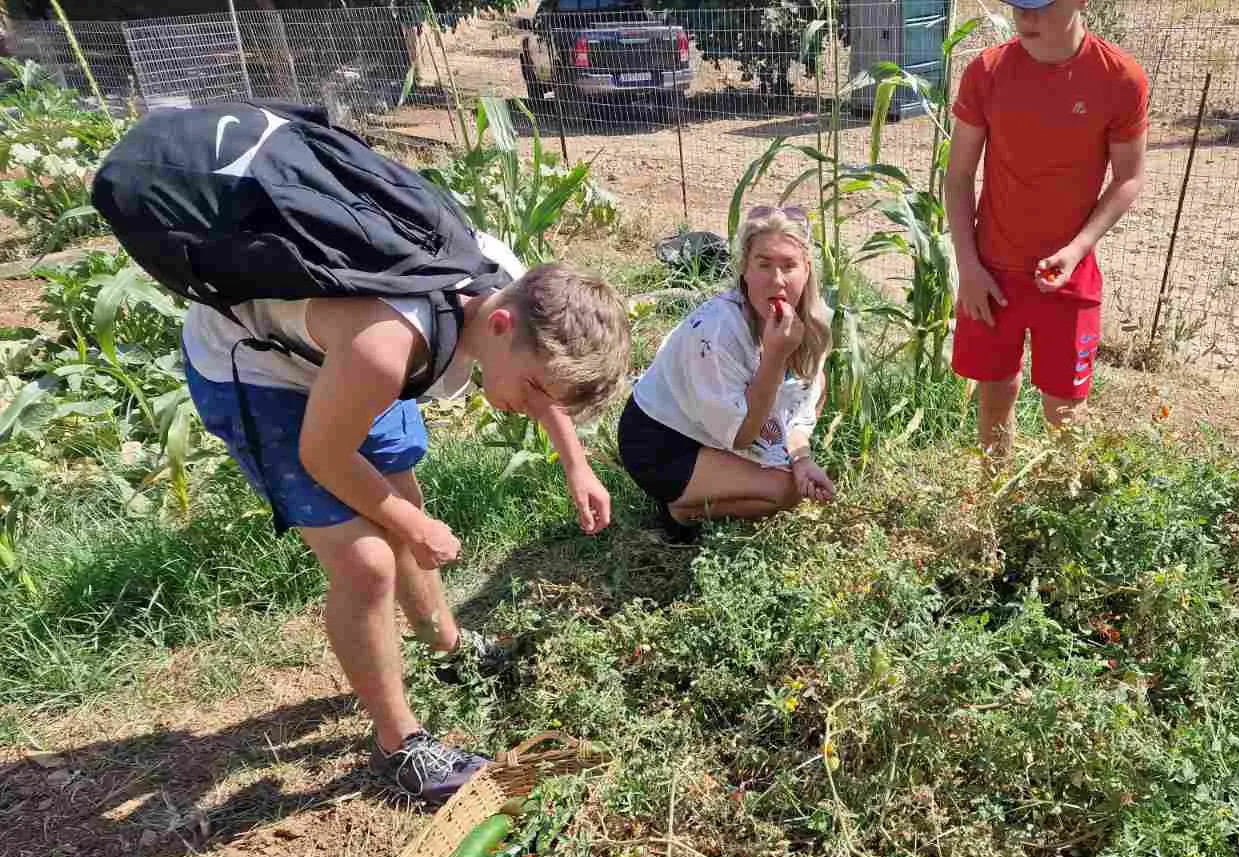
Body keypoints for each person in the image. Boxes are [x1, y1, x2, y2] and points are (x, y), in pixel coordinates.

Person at [181, 242, 630, 802]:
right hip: (261, 367)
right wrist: (415, 529)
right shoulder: (389, 343)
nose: (536, 402)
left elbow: (541, 374)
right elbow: (324, 456)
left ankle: (448, 644)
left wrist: (577, 463)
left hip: (351, 354)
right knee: (366, 562)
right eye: (536, 389)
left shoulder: (517, 290)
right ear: (498, 323)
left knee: (399, 495)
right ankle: (401, 746)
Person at [945, 0, 1149, 469]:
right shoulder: (988, 71)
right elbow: (957, 176)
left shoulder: (1119, 78)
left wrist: (1078, 249)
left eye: (1040, 6)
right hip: (991, 270)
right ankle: (993, 497)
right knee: (995, 390)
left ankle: (1060, 510)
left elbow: (1129, 178)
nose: (1026, 17)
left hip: (1069, 275)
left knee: (1066, 408)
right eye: (1018, 5)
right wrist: (969, 266)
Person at [617, 206, 836, 539]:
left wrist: (802, 458)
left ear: (807, 270)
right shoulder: (717, 331)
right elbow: (741, 436)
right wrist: (775, 357)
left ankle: (726, 479)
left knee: (816, 381)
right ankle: (679, 510)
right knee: (784, 492)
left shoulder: (813, 323)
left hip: (718, 428)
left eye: (789, 265)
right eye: (763, 264)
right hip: (664, 441)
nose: (777, 280)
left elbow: (794, 409)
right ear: (745, 270)